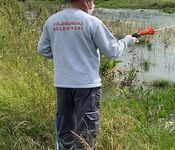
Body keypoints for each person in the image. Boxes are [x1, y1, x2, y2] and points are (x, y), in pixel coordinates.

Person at [37, 0, 138, 149]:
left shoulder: (53, 21)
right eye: (92, 0)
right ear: (85, 1)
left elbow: (43, 49)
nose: (93, 3)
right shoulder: (92, 22)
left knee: (66, 130)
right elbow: (112, 51)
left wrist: (63, 54)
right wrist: (127, 41)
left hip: (62, 84)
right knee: (86, 133)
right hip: (87, 85)